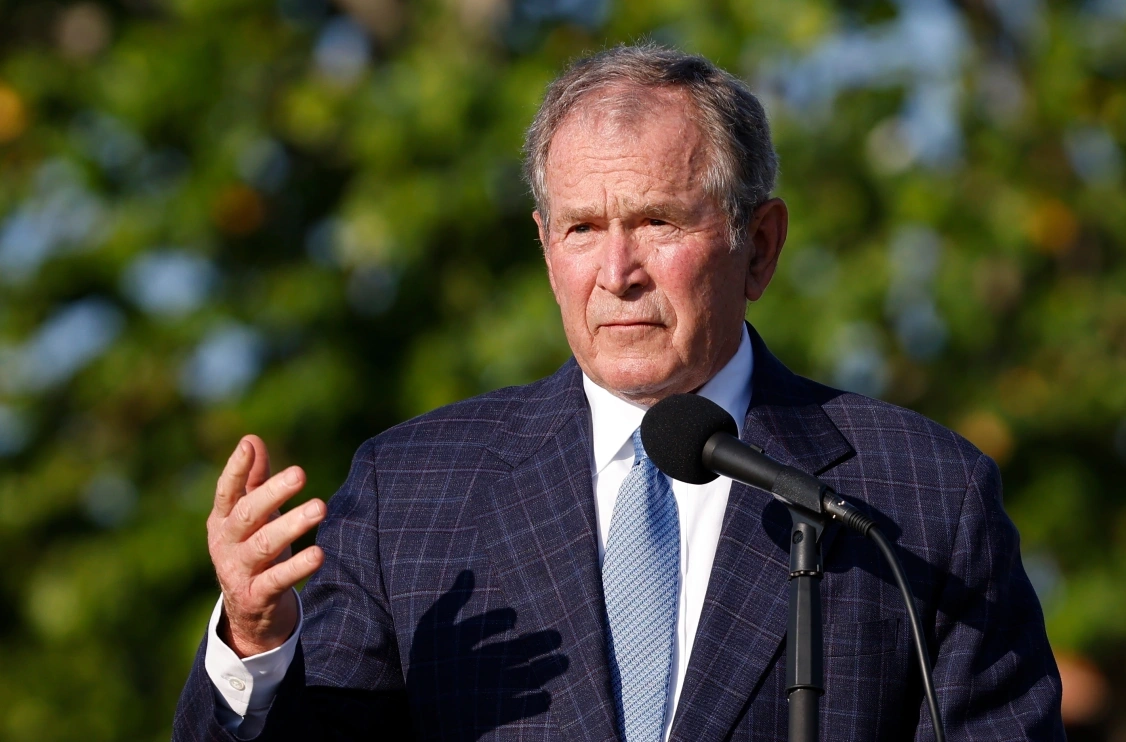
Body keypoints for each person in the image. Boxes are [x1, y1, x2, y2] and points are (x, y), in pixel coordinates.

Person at [173, 44, 1064, 741]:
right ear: (544, 248)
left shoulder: (921, 498)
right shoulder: (410, 493)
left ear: (759, 246)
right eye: (582, 229)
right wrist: (255, 643)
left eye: (657, 221)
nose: (617, 272)